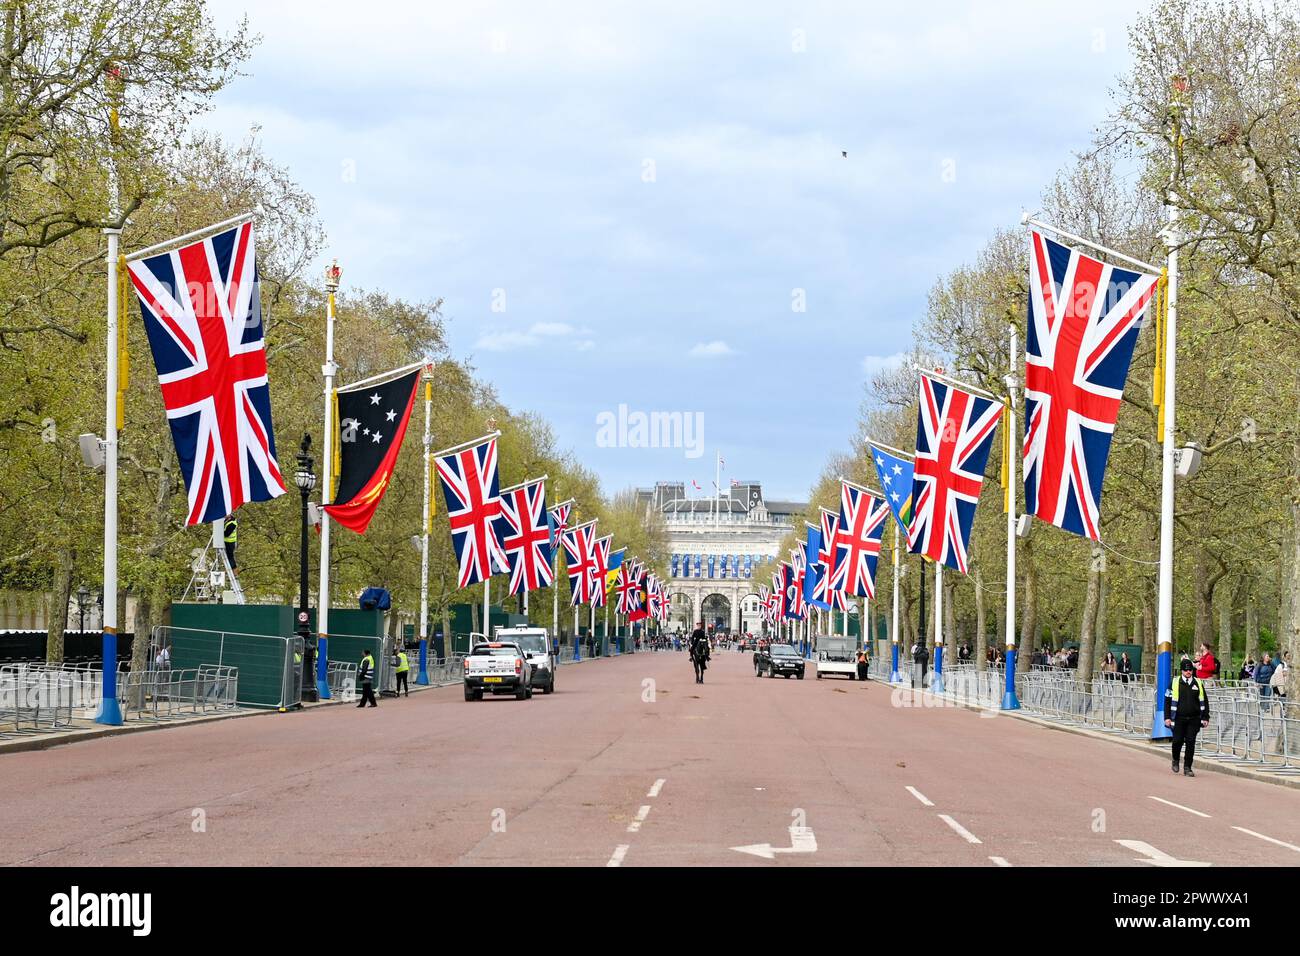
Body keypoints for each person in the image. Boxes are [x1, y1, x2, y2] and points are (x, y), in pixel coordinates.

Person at [1163, 658, 1210, 776]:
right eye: (1186, 670)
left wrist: (1205, 717)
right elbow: (1167, 701)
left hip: (1194, 718)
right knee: (1177, 741)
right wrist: (1167, 717)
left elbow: (1204, 701)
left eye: (1190, 670)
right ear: (1181, 671)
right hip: (1178, 718)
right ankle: (1175, 759)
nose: (1188, 672)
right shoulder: (1174, 682)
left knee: (1190, 742)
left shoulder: (1198, 683)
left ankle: (1188, 767)